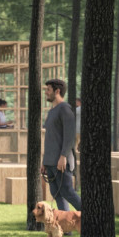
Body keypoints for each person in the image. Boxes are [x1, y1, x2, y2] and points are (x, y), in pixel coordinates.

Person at [41, 78, 81, 212]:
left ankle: (91, 222)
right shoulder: (52, 111)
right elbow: (50, 138)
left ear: (57, 91)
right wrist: (45, 162)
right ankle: (67, 229)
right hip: (51, 161)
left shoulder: (65, 109)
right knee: (58, 194)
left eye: (48, 90)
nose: (46, 92)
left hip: (61, 161)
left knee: (68, 192)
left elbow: (70, 136)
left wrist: (63, 156)